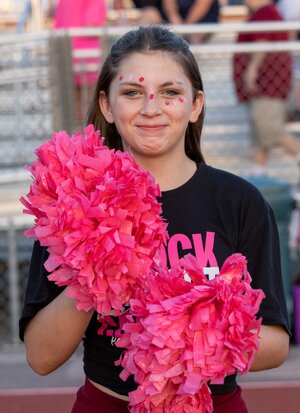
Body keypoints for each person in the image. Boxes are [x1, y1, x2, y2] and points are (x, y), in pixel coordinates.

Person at [19, 25, 290, 413]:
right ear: (107, 105)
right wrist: (96, 275)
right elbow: (41, 359)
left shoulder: (239, 201)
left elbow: (276, 344)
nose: (151, 108)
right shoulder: (73, 201)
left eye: (170, 92)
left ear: (195, 105)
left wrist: (189, 337)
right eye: (132, 93)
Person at [233, 0, 300, 177]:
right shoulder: (264, 12)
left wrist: (252, 70)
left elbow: (262, 42)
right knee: (258, 132)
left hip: (267, 85)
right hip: (262, 87)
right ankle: (258, 172)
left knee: (268, 127)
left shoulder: (266, 12)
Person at [53, 0, 107, 125]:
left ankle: (76, 141)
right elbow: (92, 24)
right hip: (87, 59)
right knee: (93, 110)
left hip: (66, 58)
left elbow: (57, 25)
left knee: (74, 114)